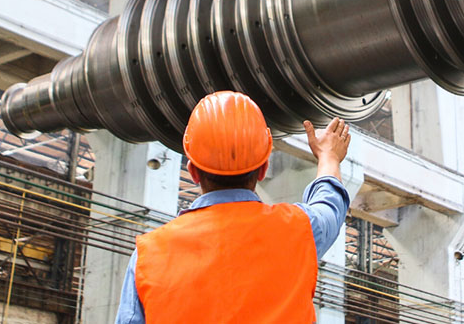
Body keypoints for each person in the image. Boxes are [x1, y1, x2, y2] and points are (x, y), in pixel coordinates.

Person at [115, 91, 351, 323]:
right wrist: (328, 156)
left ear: (193, 171)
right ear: (263, 168)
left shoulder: (148, 256)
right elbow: (329, 205)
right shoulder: (299, 230)